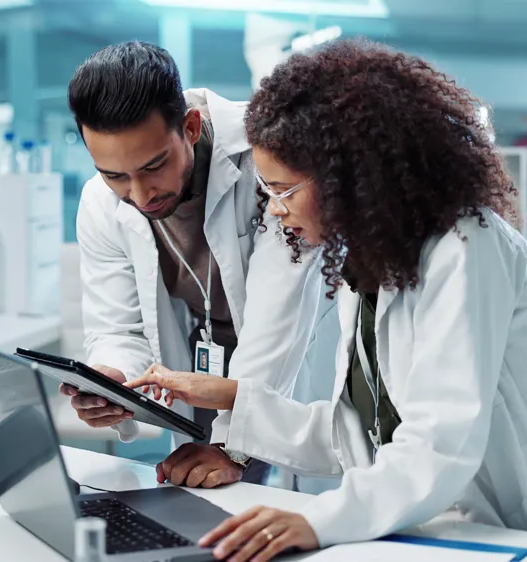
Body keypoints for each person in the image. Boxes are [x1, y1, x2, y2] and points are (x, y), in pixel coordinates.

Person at [125, 39, 527, 561]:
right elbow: (357, 438)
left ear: (348, 178)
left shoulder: (468, 246)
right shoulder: (370, 266)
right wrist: (234, 398)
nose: (274, 210)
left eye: (283, 190)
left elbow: (438, 446)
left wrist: (317, 520)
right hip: (433, 530)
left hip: (519, 537)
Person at [63, 41, 338, 487]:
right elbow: (117, 328)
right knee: (209, 495)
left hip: (296, 348)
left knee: (306, 493)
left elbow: (279, 316)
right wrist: (112, 380)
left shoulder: (268, 153)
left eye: (154, 166)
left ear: (190, 127)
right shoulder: (100, 202)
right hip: (206, 355)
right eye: (114, 175)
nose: (140, 195)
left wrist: (232, 447)